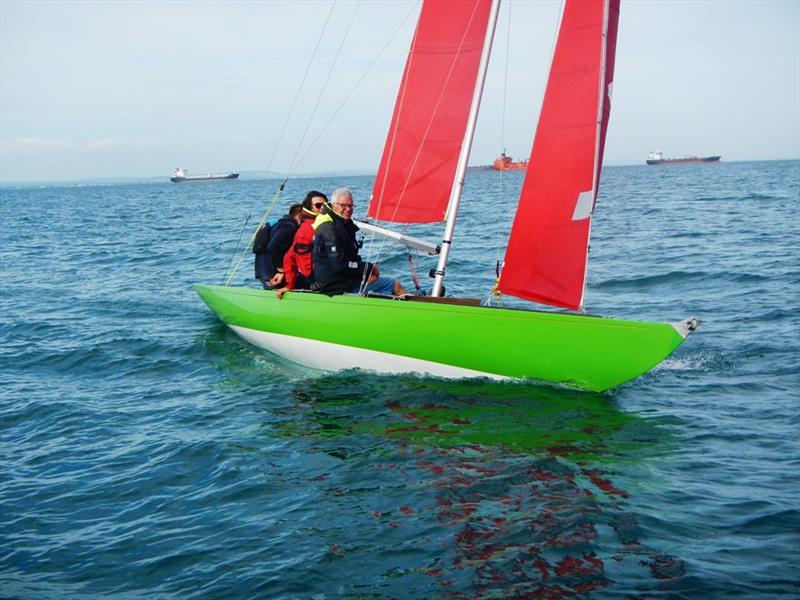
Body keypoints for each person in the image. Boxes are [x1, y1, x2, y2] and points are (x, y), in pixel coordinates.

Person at [311, 187, 409, 296]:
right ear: (333, 205)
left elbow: (351, 259)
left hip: (344, 281)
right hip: (335, 287)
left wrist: (365, 273)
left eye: (350, 205)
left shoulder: (343, 224)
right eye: (343, 205)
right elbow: (339, 265)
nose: (348, 209)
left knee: (386, 289)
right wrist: (368, 268)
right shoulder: (329, 229)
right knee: (395, 285)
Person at [271, 191, 328, 299]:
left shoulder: (323, 225)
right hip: (317, 282)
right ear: (309, 208)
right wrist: (289, 284)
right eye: (318, 205)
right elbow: (290, 257)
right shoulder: (308, 229)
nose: (322, 209)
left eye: (325, 205)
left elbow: (289, 256)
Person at [254, 203, 302, 288]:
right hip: (273, 271)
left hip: (263, 268)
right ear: (299, 216)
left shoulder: (280, 224)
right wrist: (281, 270)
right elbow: (272, 247)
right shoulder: (289, 227)